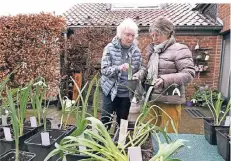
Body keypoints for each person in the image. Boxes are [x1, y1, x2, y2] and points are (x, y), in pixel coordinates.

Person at [134, 17, 195, 133]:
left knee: (169, 133)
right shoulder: (154, 51)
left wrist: (164, 79)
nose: (154, 38)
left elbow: (189, 73)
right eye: (152, 35)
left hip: (170, 100)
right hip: (151, 97)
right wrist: (139, 74)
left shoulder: (180, 49)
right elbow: (146, 69)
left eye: (158, 35)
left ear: (167, 33)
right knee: (149, 132)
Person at [100, 18, 144, 130]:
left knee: (123, 122)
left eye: (132, 35)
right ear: (120, 34)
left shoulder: (137, 51)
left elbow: (140, 69)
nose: (130, 38)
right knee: (105, 120)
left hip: (126, 94)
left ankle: (119, 144)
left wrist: (137, 75)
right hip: (110, 91)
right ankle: (100, 144)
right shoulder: (110, 48)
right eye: (127, 34)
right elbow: (104, 70)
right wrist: (119, 68)